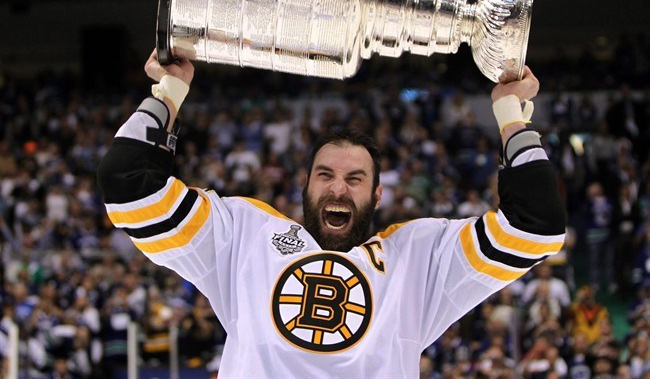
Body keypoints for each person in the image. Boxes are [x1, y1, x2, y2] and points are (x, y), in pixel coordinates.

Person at [97, 49, 567, 377]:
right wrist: (168, 94)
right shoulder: (243, 234)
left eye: (355, 179)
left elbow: (535, 225)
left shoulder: (418, 257)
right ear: (304, 185)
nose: (337, 188)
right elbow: (128, 189)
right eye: (324, 175)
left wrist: (511, 117)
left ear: (378, 195)